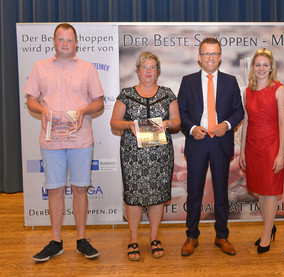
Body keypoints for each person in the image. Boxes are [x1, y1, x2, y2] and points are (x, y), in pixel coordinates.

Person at [25, 23, 104, 262]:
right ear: (54, 41)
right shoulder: (40, 67)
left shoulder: (88, 69)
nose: (65, 44)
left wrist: (83, 110)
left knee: (80, 187)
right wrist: (42, 110)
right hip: (51, 140)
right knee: (55, 189)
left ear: (76, 43)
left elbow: (99, 102)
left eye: (70, 40)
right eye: (61, 40)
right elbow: (30, 100)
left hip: (80, 139)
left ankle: (81, 240)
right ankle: (56, 241)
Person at [110, 51, 180, 261]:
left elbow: (177, 122)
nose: (148, 71)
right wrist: (128, 125)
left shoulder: (168, 94)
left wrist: (167, 123)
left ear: (158, 72)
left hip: (160, 156)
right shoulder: (126, 94)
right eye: (145, 67)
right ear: (138, 70)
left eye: (152, 67)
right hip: (133, 155)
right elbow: (114, 122)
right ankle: (133, 239)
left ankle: (154, 237)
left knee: (157, 196)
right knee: (133, 198)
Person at [178, 37, 244, 256]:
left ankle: (222, 236)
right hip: (197, 141)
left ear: (220, 57)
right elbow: (181, 112)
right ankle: (191, 236)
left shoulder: (230, 81)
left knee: (221, 193)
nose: (210, 58)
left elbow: (238, 111)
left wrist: (226, 125)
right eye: (206, 54)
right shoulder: (187, 81)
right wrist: (192, 128)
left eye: (214, 54)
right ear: (199, 57)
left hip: (220, 142)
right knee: (194, 192)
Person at [239, 48, 284, 254]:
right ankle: (270, 225)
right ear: (253, 68)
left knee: (270, 192)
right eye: (257, 65)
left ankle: (267, 234)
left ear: (271, 68)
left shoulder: (279, 89)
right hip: (252, 145)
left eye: (265, 65)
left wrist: (280, 154)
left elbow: (283, 123)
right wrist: (242, 151)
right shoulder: (246, 92)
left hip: (271, 145)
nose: (261, 68)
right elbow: (246, 122)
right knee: (258, 190)